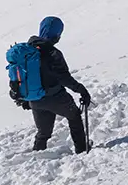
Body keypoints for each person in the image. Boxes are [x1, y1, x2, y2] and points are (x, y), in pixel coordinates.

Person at [15, 15, 94, 153]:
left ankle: (37, 156)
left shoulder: (26, 52)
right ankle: (82, 149)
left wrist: (23, 98)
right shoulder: (52, 53)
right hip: (56, 98)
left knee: (43, 133)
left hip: (34, 100)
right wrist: (82, 90)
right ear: (56, 34)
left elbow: (18, 77)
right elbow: (64, 78)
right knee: (74, 117)